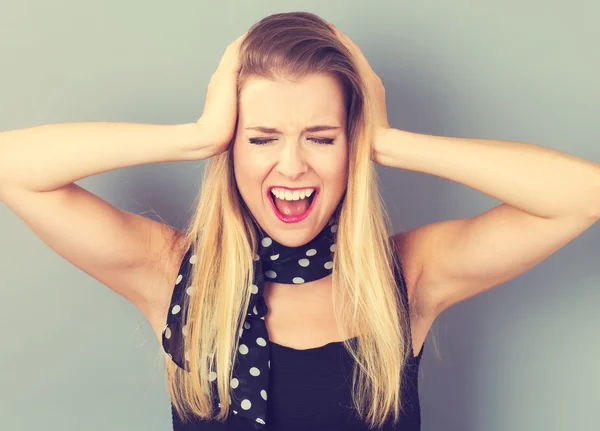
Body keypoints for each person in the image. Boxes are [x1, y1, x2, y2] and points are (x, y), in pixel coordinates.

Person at [1, 10, 599, 431]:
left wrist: (389, 140)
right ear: (231, 148)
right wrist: (197, 135)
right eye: (262, 138)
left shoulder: (408, 277)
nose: (292, 166)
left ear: (351, 146)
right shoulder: (171, 274)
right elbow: (11, 167)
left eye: (321, 137)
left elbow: (583, 194)